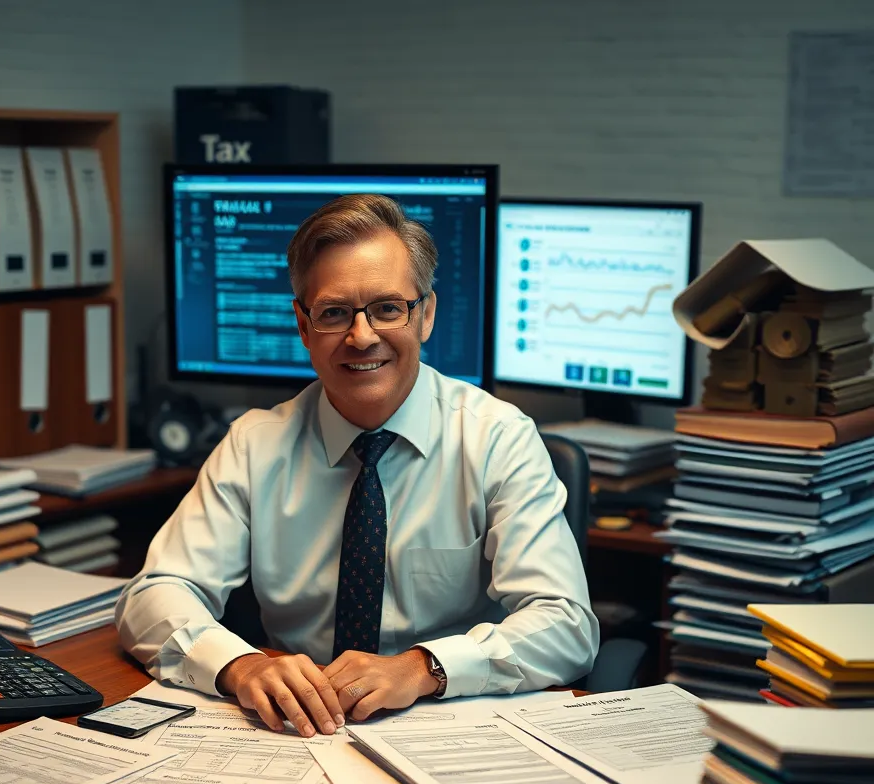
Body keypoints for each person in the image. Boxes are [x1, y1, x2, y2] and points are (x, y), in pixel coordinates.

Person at [116, 194, 598, 737]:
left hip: (450, 721)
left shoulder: (495, 438)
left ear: (426, 315)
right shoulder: (256, 443)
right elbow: (152, 595)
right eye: (334, 313)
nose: (361, 336)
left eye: (388, 308)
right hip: (298, 727)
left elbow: (566, 624)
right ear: (303, 324)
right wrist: (240, 665)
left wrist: (422, 668)